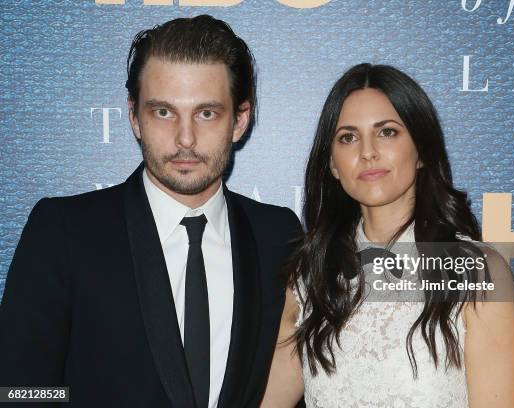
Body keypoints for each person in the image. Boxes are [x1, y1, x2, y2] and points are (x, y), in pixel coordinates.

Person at [0, 15, 302, 408]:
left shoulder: (277, 234)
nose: (185, 138)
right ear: (134, 117)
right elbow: (20, 391)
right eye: (163, 112)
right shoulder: (63, 230)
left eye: (206, 113)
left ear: (240, 120)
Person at [262, 63, 514, 407]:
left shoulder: (476, 273)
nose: (367, 151)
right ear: (332, 164)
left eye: (387, 132)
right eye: (348, 137)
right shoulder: (309, 279)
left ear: (421, 151)